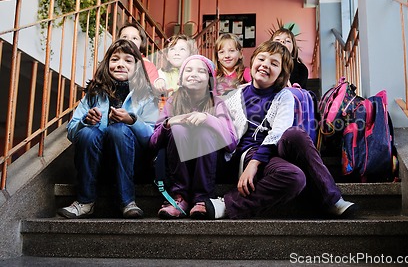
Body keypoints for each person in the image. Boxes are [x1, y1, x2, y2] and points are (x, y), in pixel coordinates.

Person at [204, 40, 356, 219]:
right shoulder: (234, 96)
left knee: (295, 134)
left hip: (276, 150)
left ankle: (332, 199)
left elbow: (278, 131)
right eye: (261, 59)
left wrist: (255, 165)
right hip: (250, 153)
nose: (265, 65)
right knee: (296, 178)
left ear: (282, 74)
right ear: (252, 62)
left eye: (274, 63)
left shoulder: (284, 96)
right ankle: (229, 204)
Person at [58, 39, 158, 219]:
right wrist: (86, 121)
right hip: (97, 164)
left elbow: (152, 139)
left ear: (137, 67)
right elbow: (72, 131)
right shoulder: (94, 93)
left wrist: (132, 121)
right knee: (88, 132)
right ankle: (85, 201)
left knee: (118, 130)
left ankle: (127, 201)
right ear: (107, 64)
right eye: (115, 59)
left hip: (132, 165)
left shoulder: (146, 95)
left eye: (128, 60)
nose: (120, 64)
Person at [149, 55, 237, 219]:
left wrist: (209, 119)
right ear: (181, 78)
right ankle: (179, 197)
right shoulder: (172, 102)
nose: (194, 74)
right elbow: (153, 142)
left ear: (210, 79)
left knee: (204, 131)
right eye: (188, 70)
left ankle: (202, 198)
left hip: (209, 164)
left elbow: (231, 143)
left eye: (201, 71)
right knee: (178, 129)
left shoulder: (218, 103)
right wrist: (168, 123)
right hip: (176, 165)